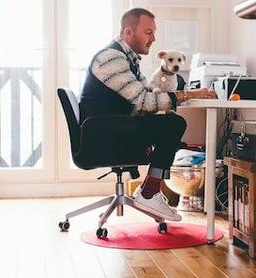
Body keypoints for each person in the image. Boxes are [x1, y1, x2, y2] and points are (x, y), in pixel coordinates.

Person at [79, 8, 216, 221]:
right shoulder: (112, 58)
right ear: (128, 32)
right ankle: (149, 192)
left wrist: (181, 94)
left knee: (170, 124)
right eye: (148, 32)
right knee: (173, 124)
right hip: (102, 134)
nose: (154, 38)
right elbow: (145, 102)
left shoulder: (128, 59)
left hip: (111, 126)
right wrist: (189, 94)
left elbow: (145, 97)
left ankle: (149, 190)